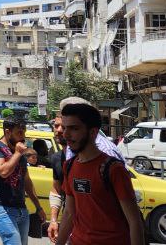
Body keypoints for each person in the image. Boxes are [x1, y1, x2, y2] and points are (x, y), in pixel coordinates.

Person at [55, 102, 143, 245]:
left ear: (93, 132)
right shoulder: (69, 166)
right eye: (65, 128)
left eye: (74, 128)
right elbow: (69, 213)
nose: (65, 134)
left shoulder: (114, 169)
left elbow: (134, 221)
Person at [0, 119, 47, 245]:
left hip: (21, 209)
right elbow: (3, 171)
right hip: (1, 207)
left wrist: (38, 207)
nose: (23, 137)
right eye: (19, 133)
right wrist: (18, 153)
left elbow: (27, 182)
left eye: (24, 132)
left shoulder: (19, 154)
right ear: (8, 132)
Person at [58, 97, 124, 163]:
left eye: (74, 128)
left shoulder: (106, 152)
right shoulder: (70, 158)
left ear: (92, 131)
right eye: (64, 127)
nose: (65, 135)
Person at [47, 114, 69, 241]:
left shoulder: (85, 157)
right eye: (56, 126)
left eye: (64, 127)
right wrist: (53, 220)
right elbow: (56, 189)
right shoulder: (56, 158)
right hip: (70, 221)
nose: (59, 130)